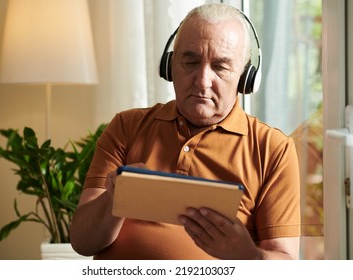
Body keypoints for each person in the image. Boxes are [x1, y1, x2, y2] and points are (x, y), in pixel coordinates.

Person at [70, 3, 301, 260]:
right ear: (170, 66)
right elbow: (83, 242)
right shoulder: (126, 126)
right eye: (190, 61)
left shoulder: (273, 149)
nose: (202, 80)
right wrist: (116, 197)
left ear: (246, 77)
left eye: (220, 67)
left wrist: (247, 256)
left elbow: (285, 263)